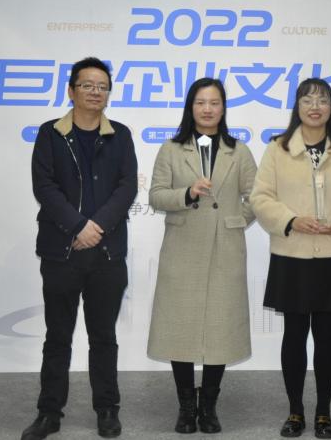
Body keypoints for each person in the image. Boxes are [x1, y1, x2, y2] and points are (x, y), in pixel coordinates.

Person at [22, 57, 138, 440]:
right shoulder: (50, 134)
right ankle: (49, 413)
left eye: (102, 86)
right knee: (58, 336)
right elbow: (45, 187)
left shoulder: (120, 135)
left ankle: (107, 409)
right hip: (62, 251)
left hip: (107, 253)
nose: (95, 92)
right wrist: (77, 226)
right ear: (71, 90)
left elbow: (127, 187)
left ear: (109, 93)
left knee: (103, 337)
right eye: (87, 85)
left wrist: (96, 227)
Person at [250, 78, 331, 439]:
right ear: (297, 106)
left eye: (322, 100)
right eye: (307, 100)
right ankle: (295, 411)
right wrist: (291, 220)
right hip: (292, 255)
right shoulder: (278, 148)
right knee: (294, 334)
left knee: (326, 334)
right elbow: (260, 198)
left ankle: (323, 413)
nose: (315, 107)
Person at [147, 78, 258, 434]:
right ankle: (185, 407)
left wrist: (237, 220)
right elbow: (156, 196)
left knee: (221, 328)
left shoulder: (239, 151)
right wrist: (188, 193)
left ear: (223, 108)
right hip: (183, 248)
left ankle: (208, 406)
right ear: (190, 107)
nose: (207, 109)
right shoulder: (171, 149)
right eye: (200, 102)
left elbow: (257, 195)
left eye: (214, 103)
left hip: (225, 247)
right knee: (178, 327)